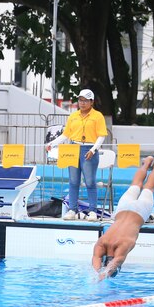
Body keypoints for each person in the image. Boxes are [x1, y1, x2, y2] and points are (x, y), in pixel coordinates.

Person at [92, 157, 154, 280]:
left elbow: (117, 260)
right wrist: (98, 273)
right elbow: (96, 258)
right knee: (135, 184)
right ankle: (146, 163)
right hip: (123, 209)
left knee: (149, 187)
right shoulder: (102, 242)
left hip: (140, 211)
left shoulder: (124, 245)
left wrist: (104, 274)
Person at [47, 88, 108, 221]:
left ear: (91, 102)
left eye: (85, 100)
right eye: (80, 100)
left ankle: (92, 211)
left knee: (90, 182)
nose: (82, 103)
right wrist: (52, 143)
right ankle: (72, 210)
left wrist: (93, 150)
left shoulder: (97, 116)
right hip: (73, 148)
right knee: (73, 181)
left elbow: (101, 135)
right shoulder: (73, 116)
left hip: (89, 149)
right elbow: (66, 135)